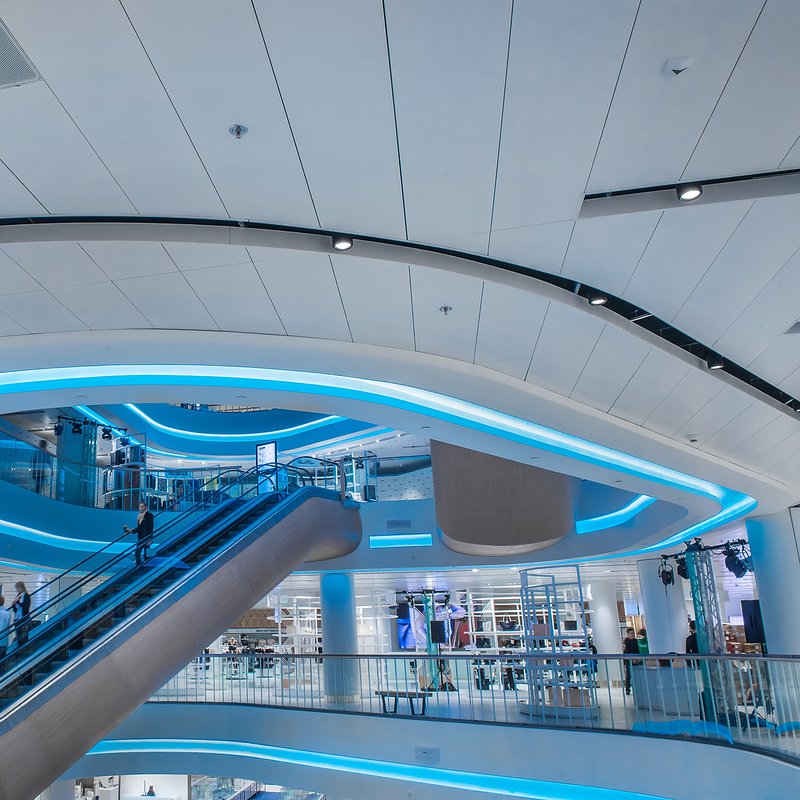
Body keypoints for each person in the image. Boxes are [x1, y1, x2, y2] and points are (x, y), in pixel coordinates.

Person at [124, 501, 154, 565]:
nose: (140, 508)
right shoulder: (139, 516)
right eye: (139, 507)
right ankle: (140, 566)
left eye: (142, 506)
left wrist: (150, 538)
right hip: (141, 537)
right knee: (138, 553)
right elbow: (139, 528)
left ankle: (143, 567)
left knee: (143, 553)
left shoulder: (149, 515)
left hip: (146, 537)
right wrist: (131, 530)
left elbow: (150, 527)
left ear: (146, 507)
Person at [10, 581, 31, 646]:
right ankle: (19, 650)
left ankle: (23, 649)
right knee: (18, 635)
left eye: (18, 588)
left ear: (22, 587)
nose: (17, 590)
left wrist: (18, 602)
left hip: (24, 617)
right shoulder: (18, 596)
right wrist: (14, 604)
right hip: (17, 618)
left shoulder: (26, 596)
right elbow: (15, 610)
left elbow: (25, 607)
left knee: (24, 636)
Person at [622, 627, 639, 695]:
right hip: (628, 660)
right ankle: (627, 689)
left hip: (635, 659)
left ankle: (636, 688)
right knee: (628, 675)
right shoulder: (626, 641)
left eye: (633, 633)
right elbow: (625, 652)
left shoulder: (636, 641)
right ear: (628, 634)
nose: (632, 634)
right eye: (631, 633)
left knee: (635, 675)